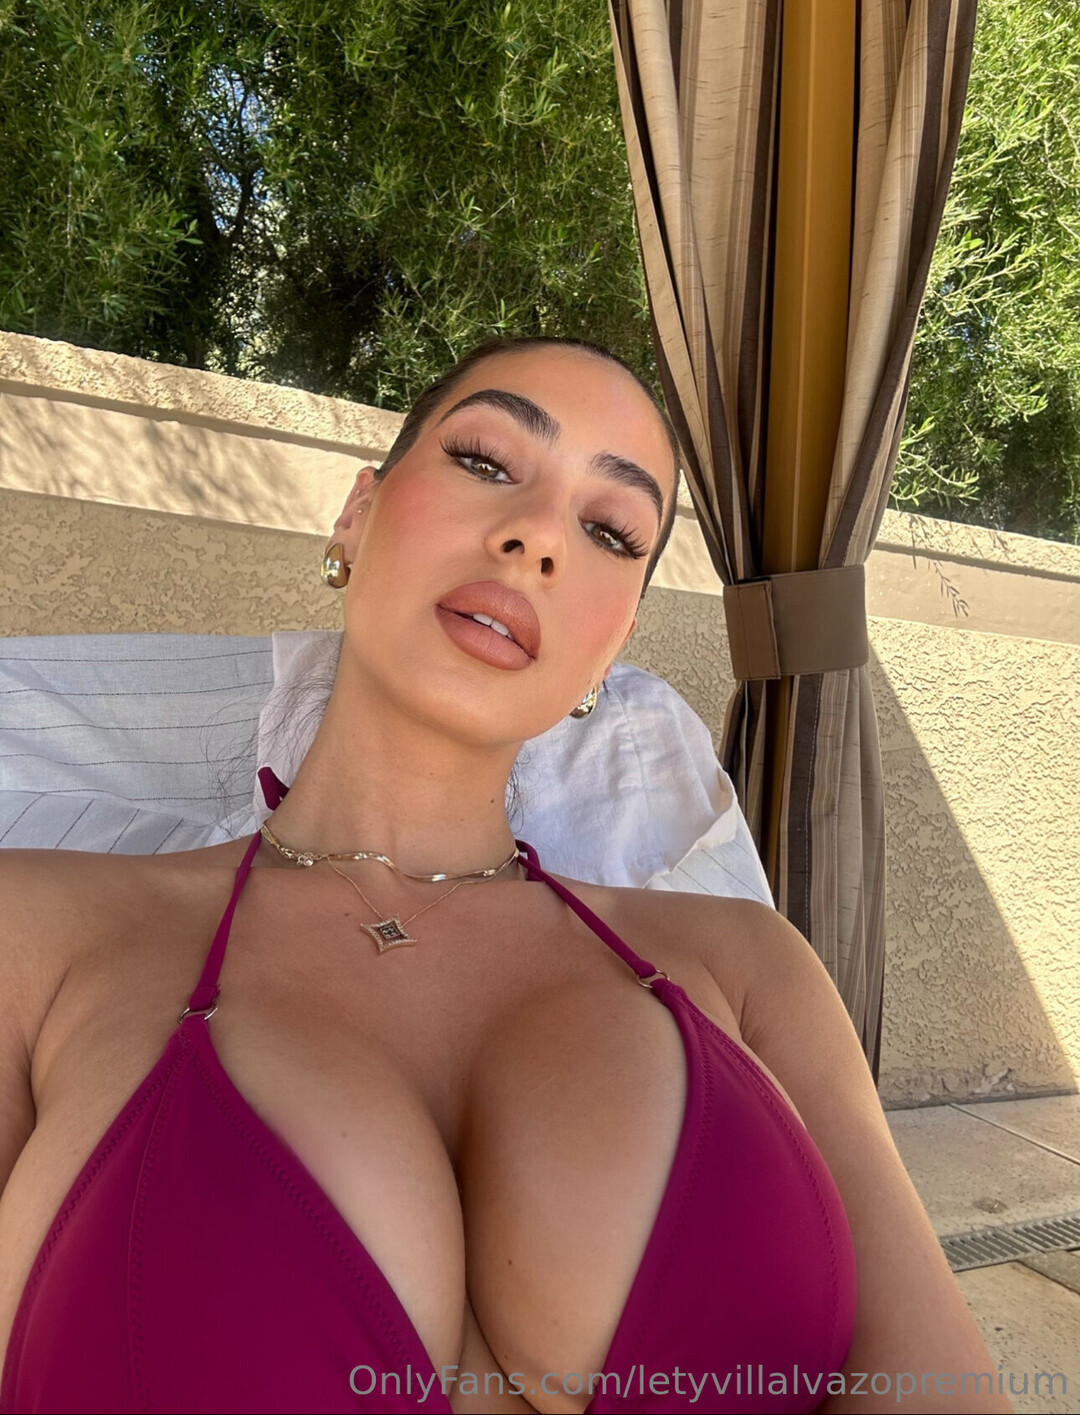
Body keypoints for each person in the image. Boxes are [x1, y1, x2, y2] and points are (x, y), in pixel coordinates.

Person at [0, 337, 1009, 1415]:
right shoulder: (37, 932)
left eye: (610, 530)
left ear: (612, 643)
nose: (539, 537)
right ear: (357, 517)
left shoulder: (752, 966)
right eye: (487, 461)